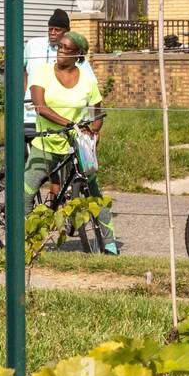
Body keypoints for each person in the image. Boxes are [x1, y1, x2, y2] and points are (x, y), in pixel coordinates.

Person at [27, 30, 117, 254]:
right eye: (60, 47)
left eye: (68, 49)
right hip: (46, 143)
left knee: (95, 192)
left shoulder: (87, 80)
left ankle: (110, 245)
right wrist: (69, 123)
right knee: (26, 191)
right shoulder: (43, 72)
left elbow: (98, 111)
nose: (62, 52)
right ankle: (23, 242)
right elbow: (40, 106)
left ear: (78, 55)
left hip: (75, 144)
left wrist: (93, 132)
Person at [24, 9, 96, 138]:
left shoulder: (72, 53)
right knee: (25, 151)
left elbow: (91, 86)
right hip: (30, 115)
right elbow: (23, 71)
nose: (52, 33)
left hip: (62, 117)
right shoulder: (32, 45)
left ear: (66, 31)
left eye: (57, 30)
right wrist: (24, 94)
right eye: (50, 29)